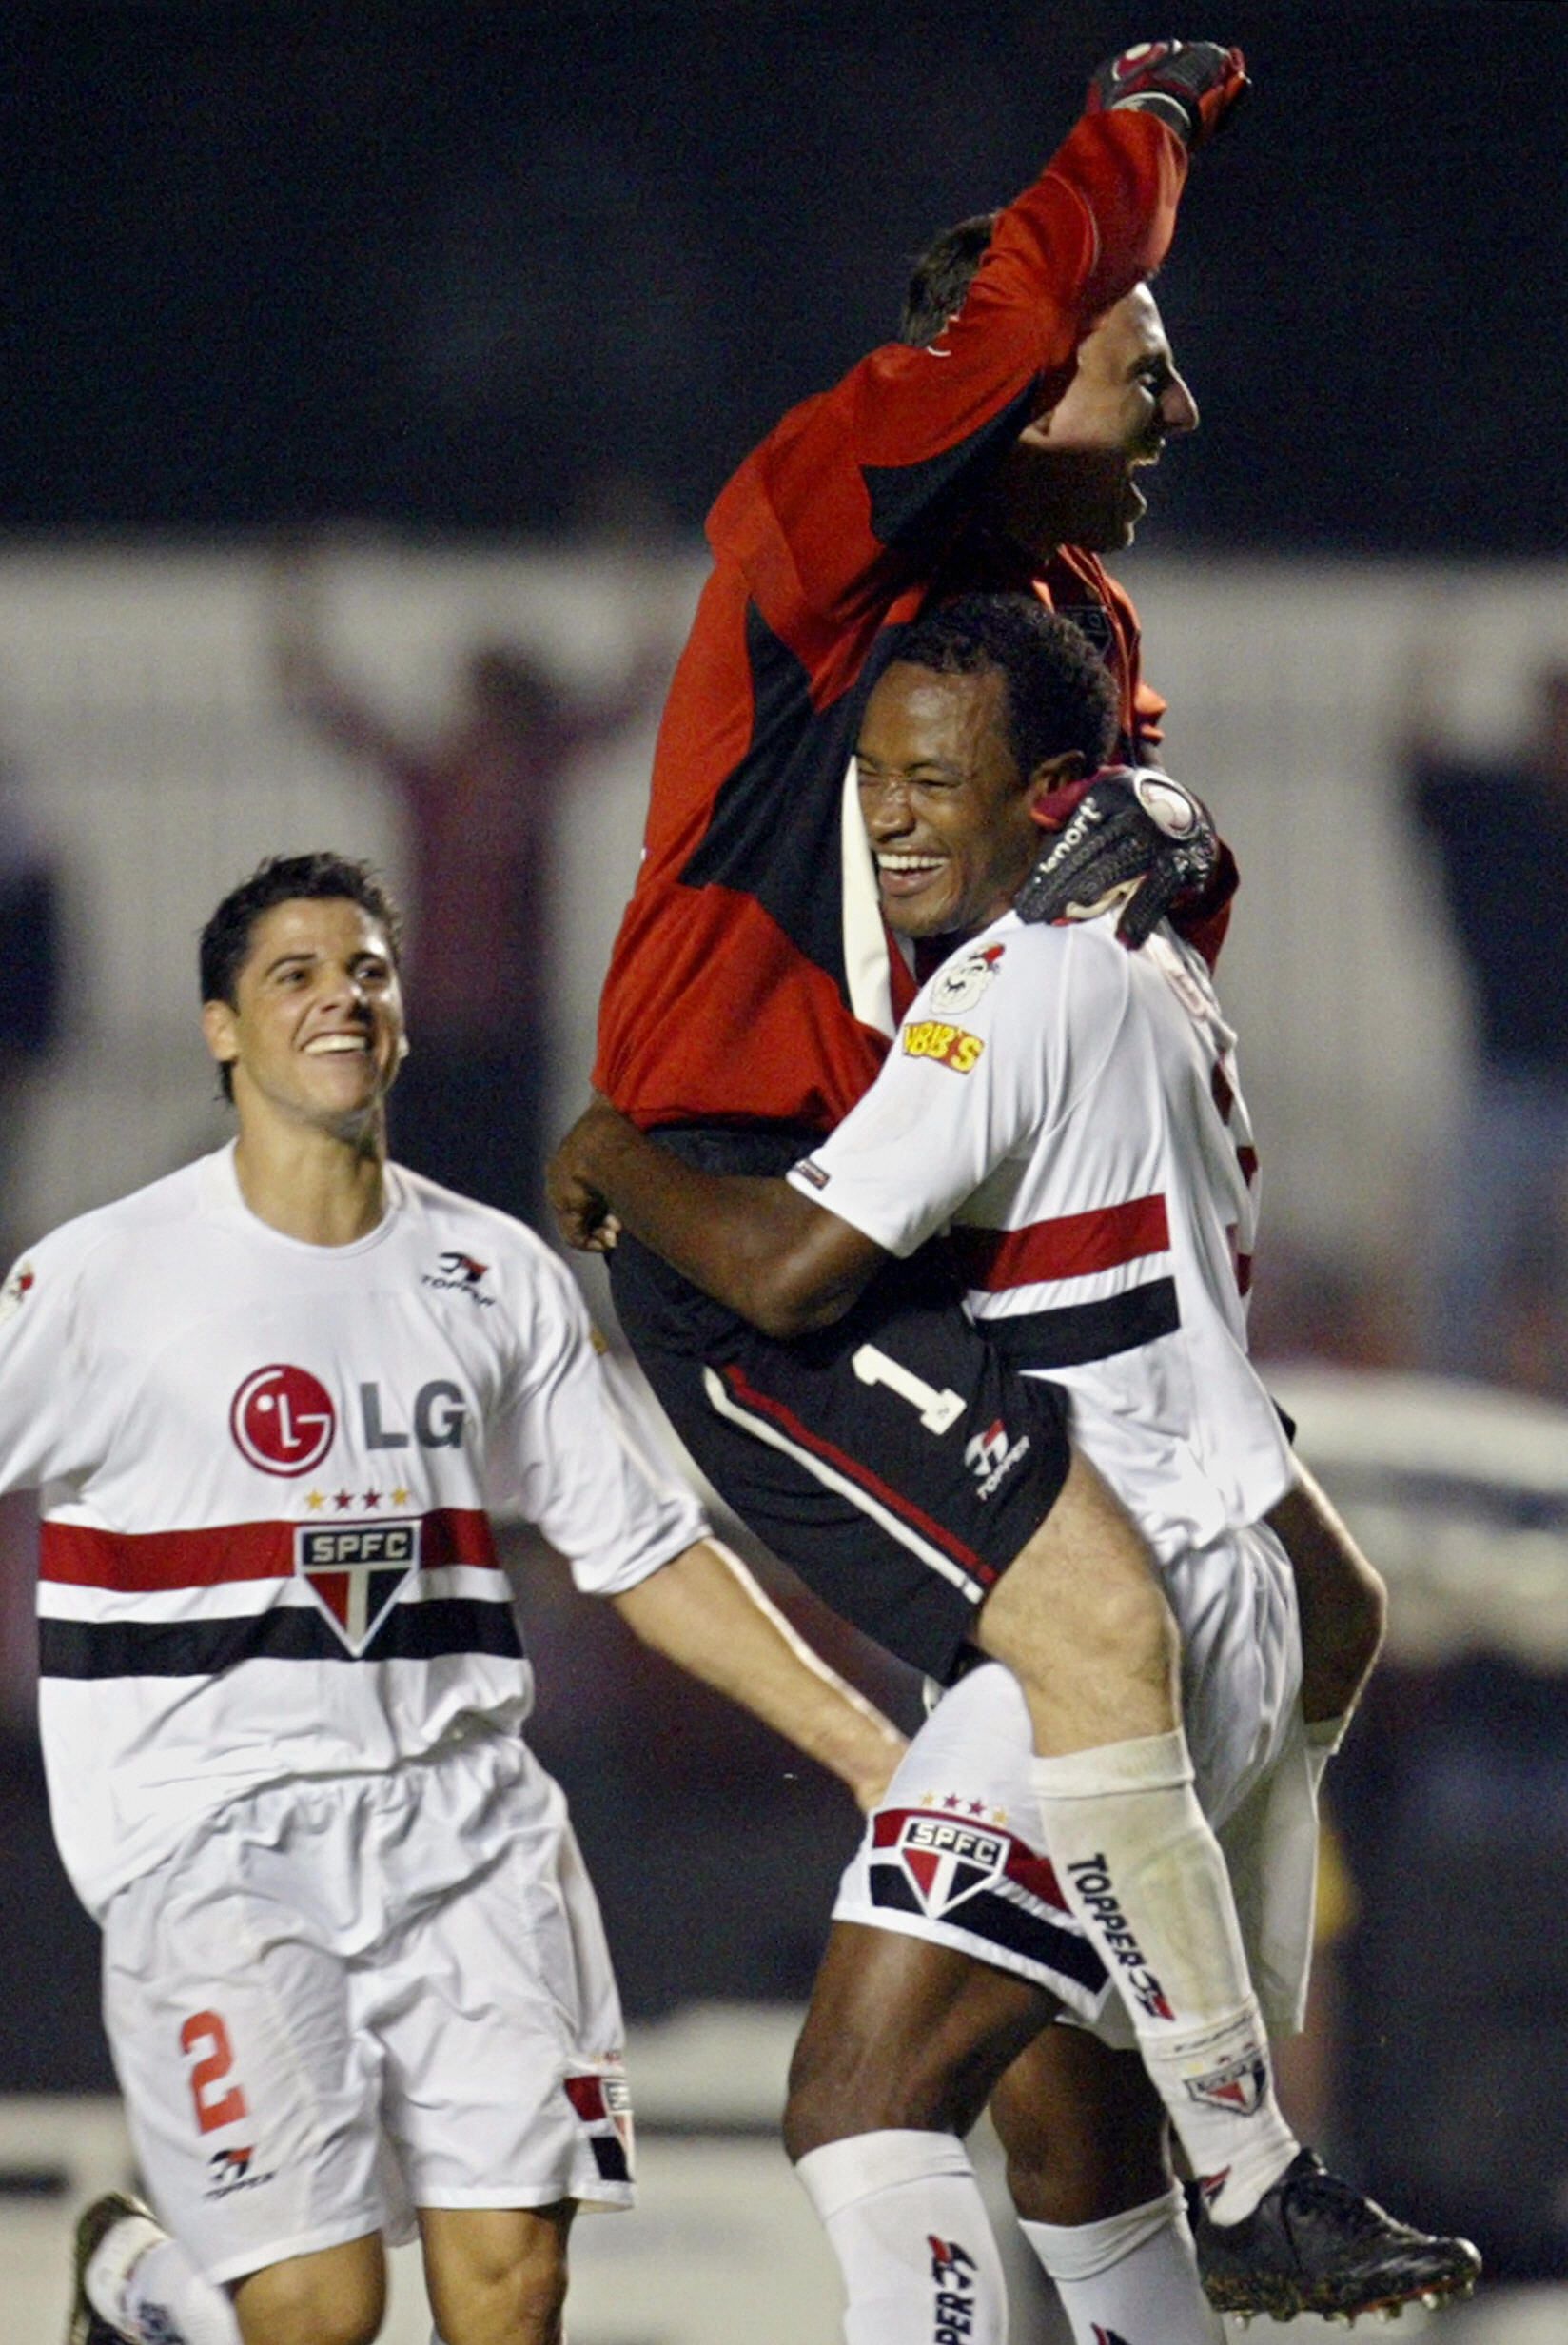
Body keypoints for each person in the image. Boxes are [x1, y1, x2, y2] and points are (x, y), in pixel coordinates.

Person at [553, 597, 1482, 2333]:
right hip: (1217, 1585)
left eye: (935, 779)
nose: (892, 814)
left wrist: (614, 1150)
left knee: (854, 2099)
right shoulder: (1156, 972)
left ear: (1050, 798)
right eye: (876, 777)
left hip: (1101, 1601)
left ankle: (1255, 2166)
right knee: (1077, 2161)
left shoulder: (1012, 981)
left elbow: (779, 1265)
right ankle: (1239, 2178)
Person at [0, 850, 902, 2345]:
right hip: (215, 1846)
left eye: (367, 971)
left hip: (470, 1830)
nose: (340, 999)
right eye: (294, 975)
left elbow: (641, 1550)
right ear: (221, 1028)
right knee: (317, 2312)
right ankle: (153, 2290)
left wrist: (875, 1752)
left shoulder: (494, 1275)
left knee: (514, 2292)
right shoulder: (99, 1282)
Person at [273, 543, 666, 1224]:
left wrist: (297, 594)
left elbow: (638, 682)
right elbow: (325, 699)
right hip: (457, 1027)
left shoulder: (475, 773)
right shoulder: (461, 775)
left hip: (489, 1027)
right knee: (444, 1201)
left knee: (478, 1204)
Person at [1405, 659, 1568, 1390]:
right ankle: (1452, 1413)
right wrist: (1429, 667)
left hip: (1540, 1078)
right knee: (1469, 1274)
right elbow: (1419, 770)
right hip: (1505, 1074)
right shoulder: (1501, 810)